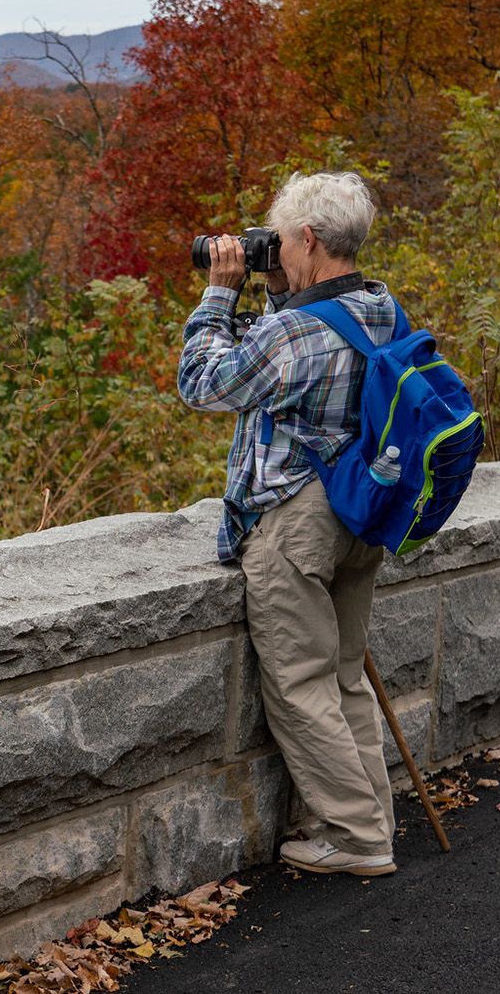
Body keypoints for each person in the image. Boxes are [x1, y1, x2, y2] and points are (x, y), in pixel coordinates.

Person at [176, 171, 400, 877]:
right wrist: (275, 284)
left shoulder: (297, 332)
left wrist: (220, 292)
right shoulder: (378, 306)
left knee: (301, 682)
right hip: (360, 511)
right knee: (343, 677)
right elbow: (294, 362)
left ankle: (357, 840)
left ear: (306, 237)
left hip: (297, 522)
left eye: (279, 238)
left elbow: (203, 384)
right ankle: (376, 822)